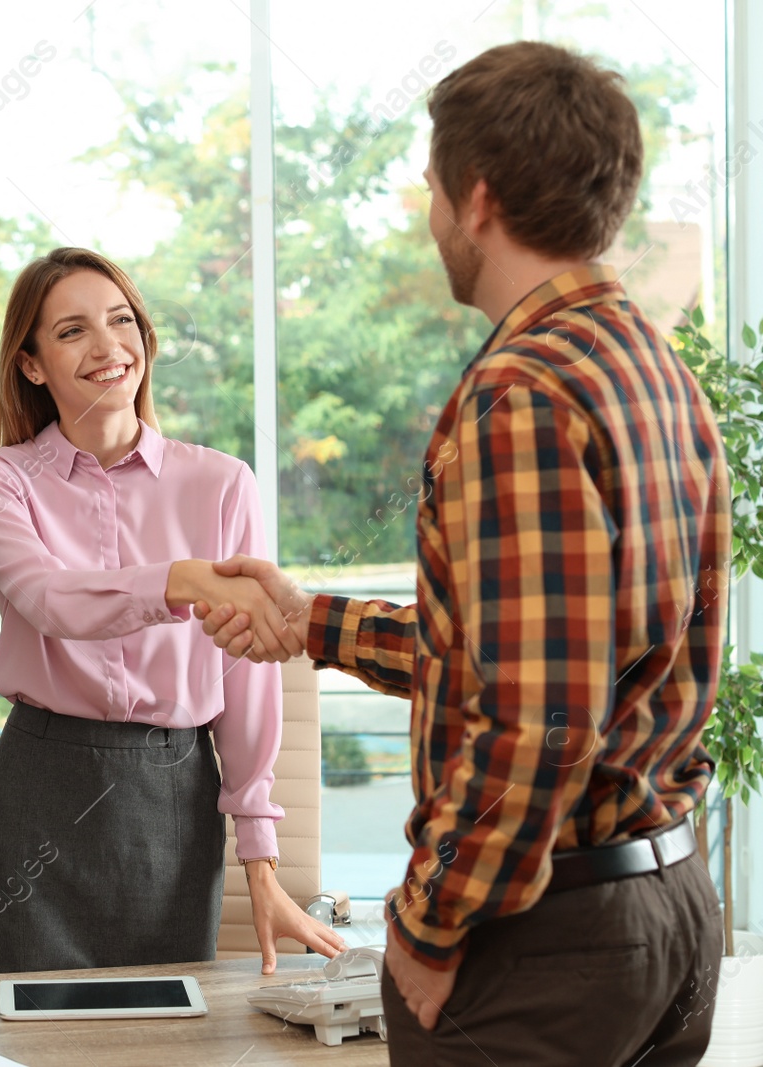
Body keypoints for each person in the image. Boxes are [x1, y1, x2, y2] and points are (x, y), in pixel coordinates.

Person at [197, 43, 730, 1066]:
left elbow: (538, 716)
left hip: (543, 934)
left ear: (476, 198)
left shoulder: (521, 395)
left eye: (433, 188)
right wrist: (313, 620)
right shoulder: (655, 368)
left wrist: (432, 927)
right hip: (668, 905)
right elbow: (544, 654)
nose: (430, 213)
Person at [0, 246, 345, 975]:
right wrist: (185, 579)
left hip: (173, 792)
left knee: (167, 1040)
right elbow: (47, 598)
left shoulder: (223, 483)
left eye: (121, 320)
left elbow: (247, 673)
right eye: (72, 331)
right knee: (31, 1039)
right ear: (31, 363)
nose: (108, 347)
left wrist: (260, 858)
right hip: (38, 786)